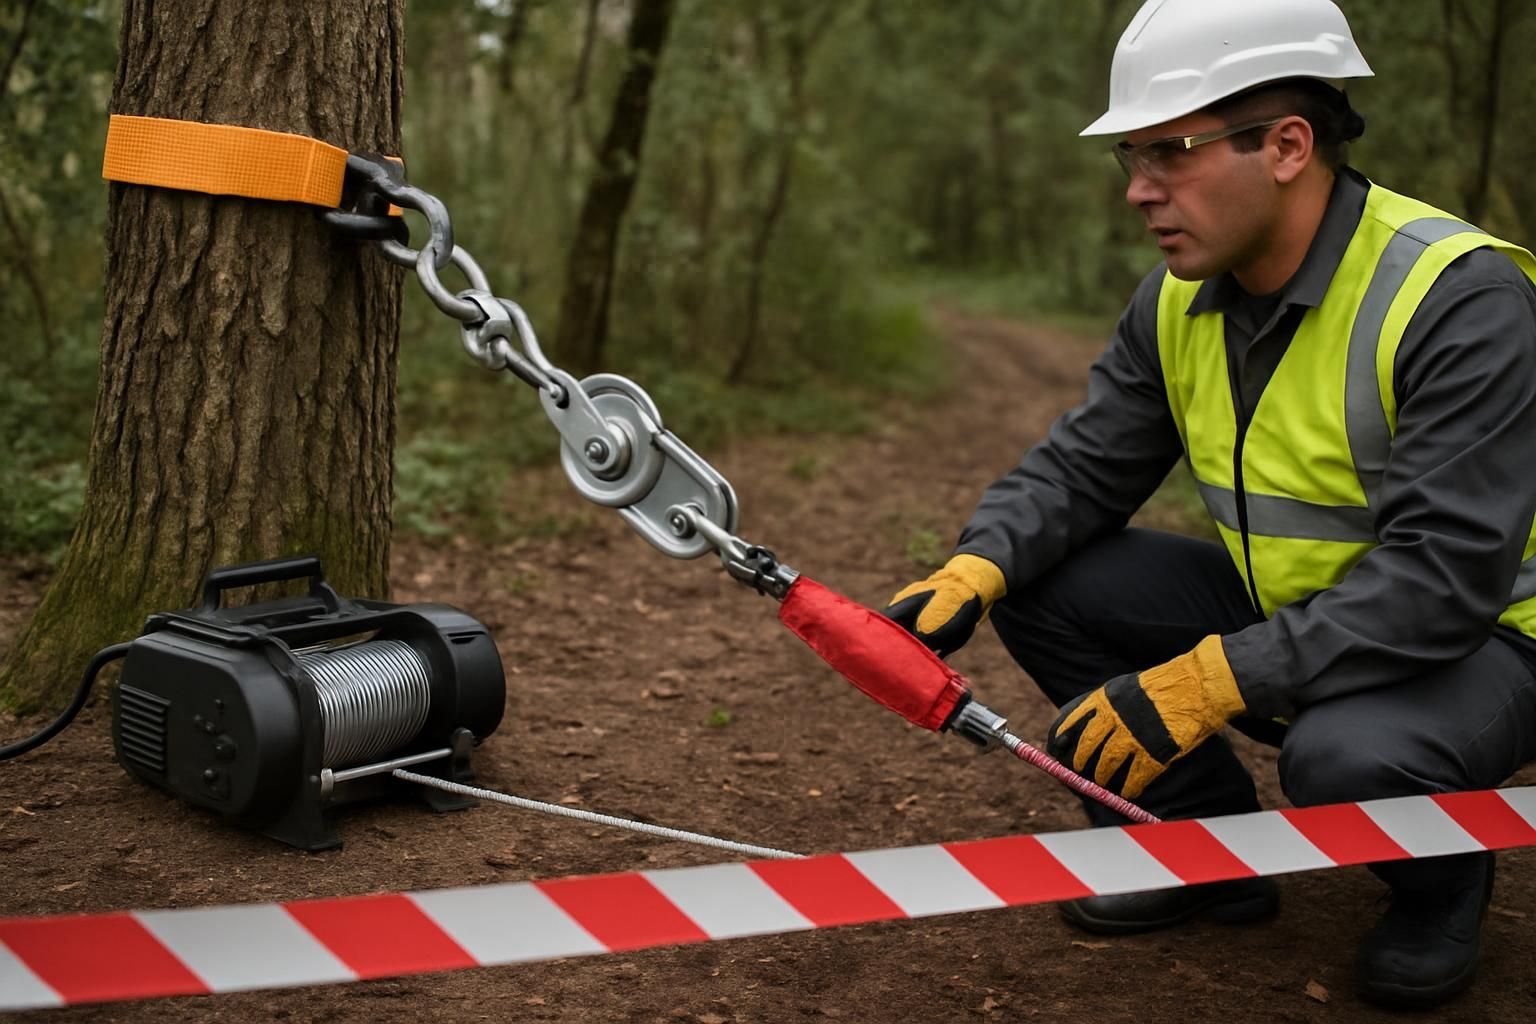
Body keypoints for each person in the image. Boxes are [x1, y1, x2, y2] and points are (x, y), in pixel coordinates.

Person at [884, 0, 1536, 1011]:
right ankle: (1198, 850)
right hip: (1303, 614)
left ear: (1286, 146)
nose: (1141, 193)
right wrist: (977, 563)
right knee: (1041, 578)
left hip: (1489, 636)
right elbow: (1083, 467)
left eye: (1171, 154)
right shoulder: (1178, 297)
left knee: (1346, 756)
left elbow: (1443, 578)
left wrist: (1207, 681)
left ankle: (1440, 883)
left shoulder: (1459, 299)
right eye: (1130, 160)